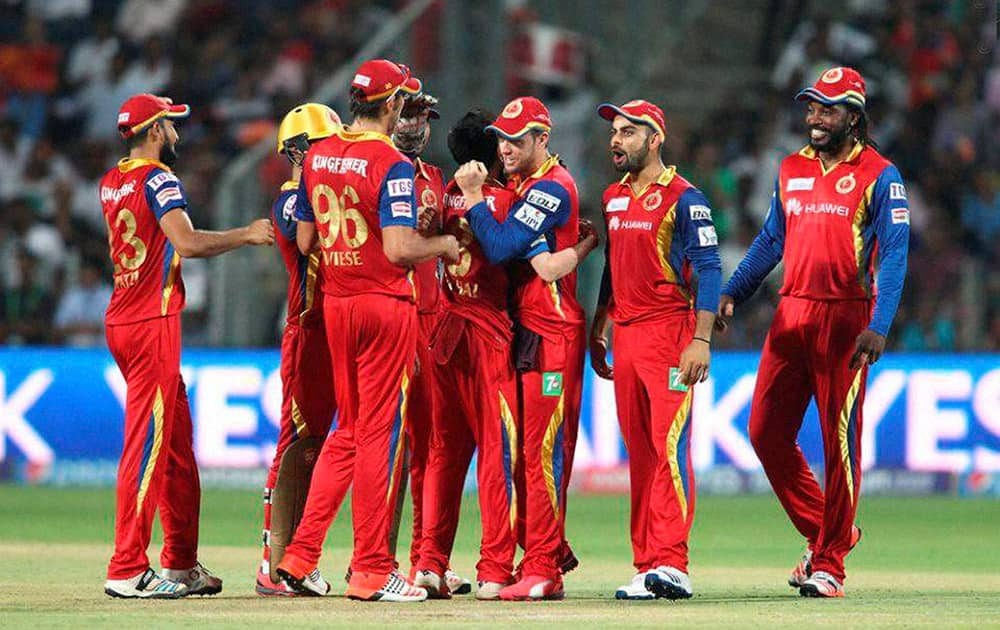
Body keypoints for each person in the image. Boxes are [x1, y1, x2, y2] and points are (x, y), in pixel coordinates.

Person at [719, 67, 909, 598]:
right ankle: (831, 533)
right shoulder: (790, 167)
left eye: (826, 110)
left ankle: (829, 564)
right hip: (791, 315)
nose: (814, 118)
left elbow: (894, 255)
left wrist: (878, 324)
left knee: (838, 441)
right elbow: (771, 239)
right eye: (811, 108)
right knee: (763, 432)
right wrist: (735, 289)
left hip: (846, 320)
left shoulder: (880, 174)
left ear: (854, 115)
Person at [275, 59, 459, 603]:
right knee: (381, 436)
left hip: (337, 304)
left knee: (348, 433)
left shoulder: (319, 154)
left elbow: (306, 240)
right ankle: (373, 569)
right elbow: (402, 249)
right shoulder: (393, 163)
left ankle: (300, 555)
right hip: (385, 306)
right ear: (394, 104)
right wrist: (444, 246)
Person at [416, 109, 597, 600]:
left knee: (456, 453)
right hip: (500, 333)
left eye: (516, 139)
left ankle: (435, 560)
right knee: (505, 454)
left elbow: (533, 257)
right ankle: (502, 564)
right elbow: (523, 255)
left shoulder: (535, 189)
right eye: (501, 141)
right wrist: (584, 245)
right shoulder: (504, 197)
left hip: (466, 329)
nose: (507, 148)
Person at [101, 93, 275, 599]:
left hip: (125, 317)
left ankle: (178, 563)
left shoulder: (112, 181)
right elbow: (189, 243)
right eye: (171, 126)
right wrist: (246, 234)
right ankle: (128, 567)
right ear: (154, 131)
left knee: (175, 448)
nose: (177, 134)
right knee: (147, 449)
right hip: (151, 320)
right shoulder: (158, 178)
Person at [589, 100, 721, 601]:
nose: (616, 140)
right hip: (626, 336)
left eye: (628, 132)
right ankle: (647, 565)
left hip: (670, 333)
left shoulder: (687, 199)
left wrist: (701, 339)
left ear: (655, 137)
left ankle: (673, 563)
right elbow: (611, 266)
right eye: (614, 132)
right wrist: (600, 326)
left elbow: (709, 268)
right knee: (641, 455)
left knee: (669, 449)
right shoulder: (613, 197)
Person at [255, 103, 343, 597]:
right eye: (321, 145)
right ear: (295, 152)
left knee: (315, 447)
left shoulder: (315, 192)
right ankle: (273, 562)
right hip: (307, 333)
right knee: (294, 444)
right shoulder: (292, 200)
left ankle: (296, 559)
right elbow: (314, 242)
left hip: (334, 333)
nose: (331, 154)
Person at [391, 79, 471, 596]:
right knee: (393, 449)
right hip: (390, 316)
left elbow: (453, 244)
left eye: (424, 117)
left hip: (433, 320)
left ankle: (426, 561)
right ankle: (372, 559)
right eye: (411, 114)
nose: (418, 126)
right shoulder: (379, 168)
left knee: (430, 446)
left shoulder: (433, 176)